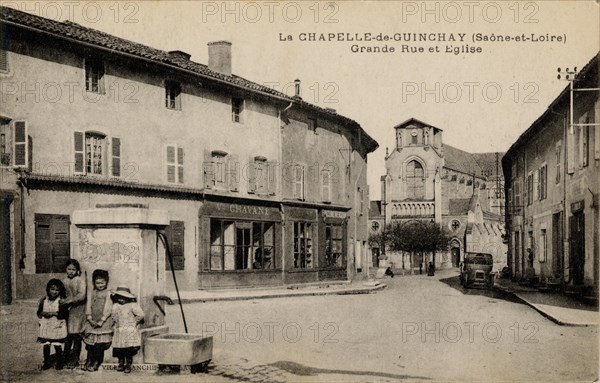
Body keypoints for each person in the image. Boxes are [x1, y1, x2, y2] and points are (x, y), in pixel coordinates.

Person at [83, 269, 113, 372]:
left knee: (99, 344)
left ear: (106, 282)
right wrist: (89, 317)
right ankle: (89, 360)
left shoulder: (108, 293)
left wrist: (102, 319)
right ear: (94, 282)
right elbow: (88, 305)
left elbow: (108, 307)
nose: (100, 285)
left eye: (102, 282)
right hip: (92, 321)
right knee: (90, 344)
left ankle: (96, 362)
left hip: (102, 322)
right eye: (97, 283)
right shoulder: (92, 292)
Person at [111, 287, 145, 373]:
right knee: (120, 347)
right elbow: (114, 316)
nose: (121, 300)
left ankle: (128, 364)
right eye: (119, 297)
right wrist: (115, 322)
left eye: (123, 298)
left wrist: (134, 321)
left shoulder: (132, 305)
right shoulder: (116, 306)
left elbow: (141, 314)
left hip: (129, 329)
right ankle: (121, 363)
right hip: (120, 329)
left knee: (128, 348)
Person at [37, 279, 69, 370]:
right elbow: (38, 312)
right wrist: (42, 314)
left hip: (56, 326)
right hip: (46, 326)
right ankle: (46, 362)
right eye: (52, 289)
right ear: (48, 289)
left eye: (57, 290)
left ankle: (59, 363)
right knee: (46, 345)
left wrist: (53, 313)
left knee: (57, 344)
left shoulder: (61, 302)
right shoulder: (44, 300)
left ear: (60, 291)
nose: (54, 292)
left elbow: (64, 315)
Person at [61, 259, 86, 369]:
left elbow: (82, 295)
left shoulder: (80, 280)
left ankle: (75, 359)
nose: (71, 271)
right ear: (66, 270)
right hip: (68, 311)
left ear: (77, 270)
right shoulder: (64, 281)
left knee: (76, 335)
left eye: (73, 269)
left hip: (78, 310)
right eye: (69, 269)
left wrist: (69, 300)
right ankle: (65, 357)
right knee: (68, 335)